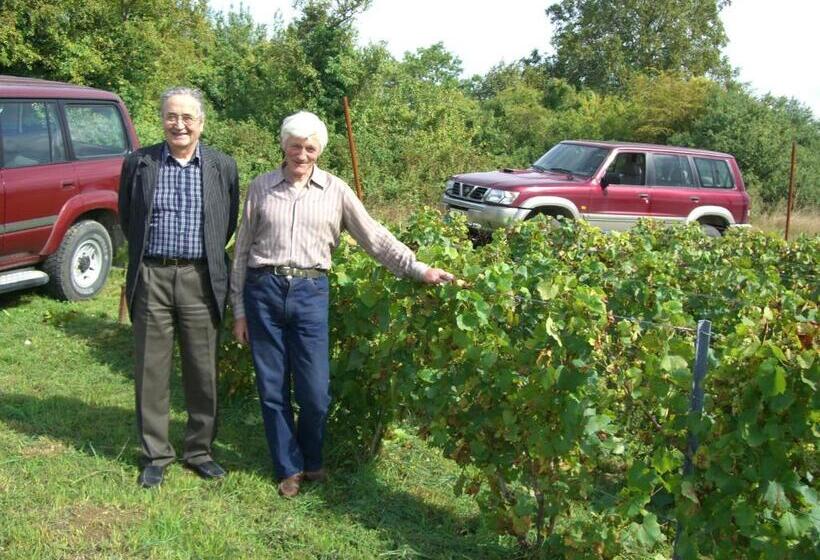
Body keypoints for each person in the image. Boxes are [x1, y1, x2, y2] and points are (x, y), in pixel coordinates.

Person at [231, 111, 453, 497]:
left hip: (310, 292)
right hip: (262, 289)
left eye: (310, 147)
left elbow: (375, 238)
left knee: (316, 392)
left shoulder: (336, 191)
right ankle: (288, 467)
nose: (301, 154)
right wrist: (238, 309)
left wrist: (418, 269)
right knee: (272, 388)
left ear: (319, 150)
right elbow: (242, 250)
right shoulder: (261, 187)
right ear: (283, 145)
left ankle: (312, 457)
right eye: (295, 146)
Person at [118, 87, 240, 488]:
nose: (179, 124)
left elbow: (228, 221)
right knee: (151, 369)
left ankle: (199, 451)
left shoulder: (223, 166)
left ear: (202, 123)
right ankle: (156, 453)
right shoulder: (139, 163)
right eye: (172, 116)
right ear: (162, 119)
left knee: (202, 369)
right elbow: (127, 217)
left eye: (188, 117)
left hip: (200, 278)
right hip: (151, 275)